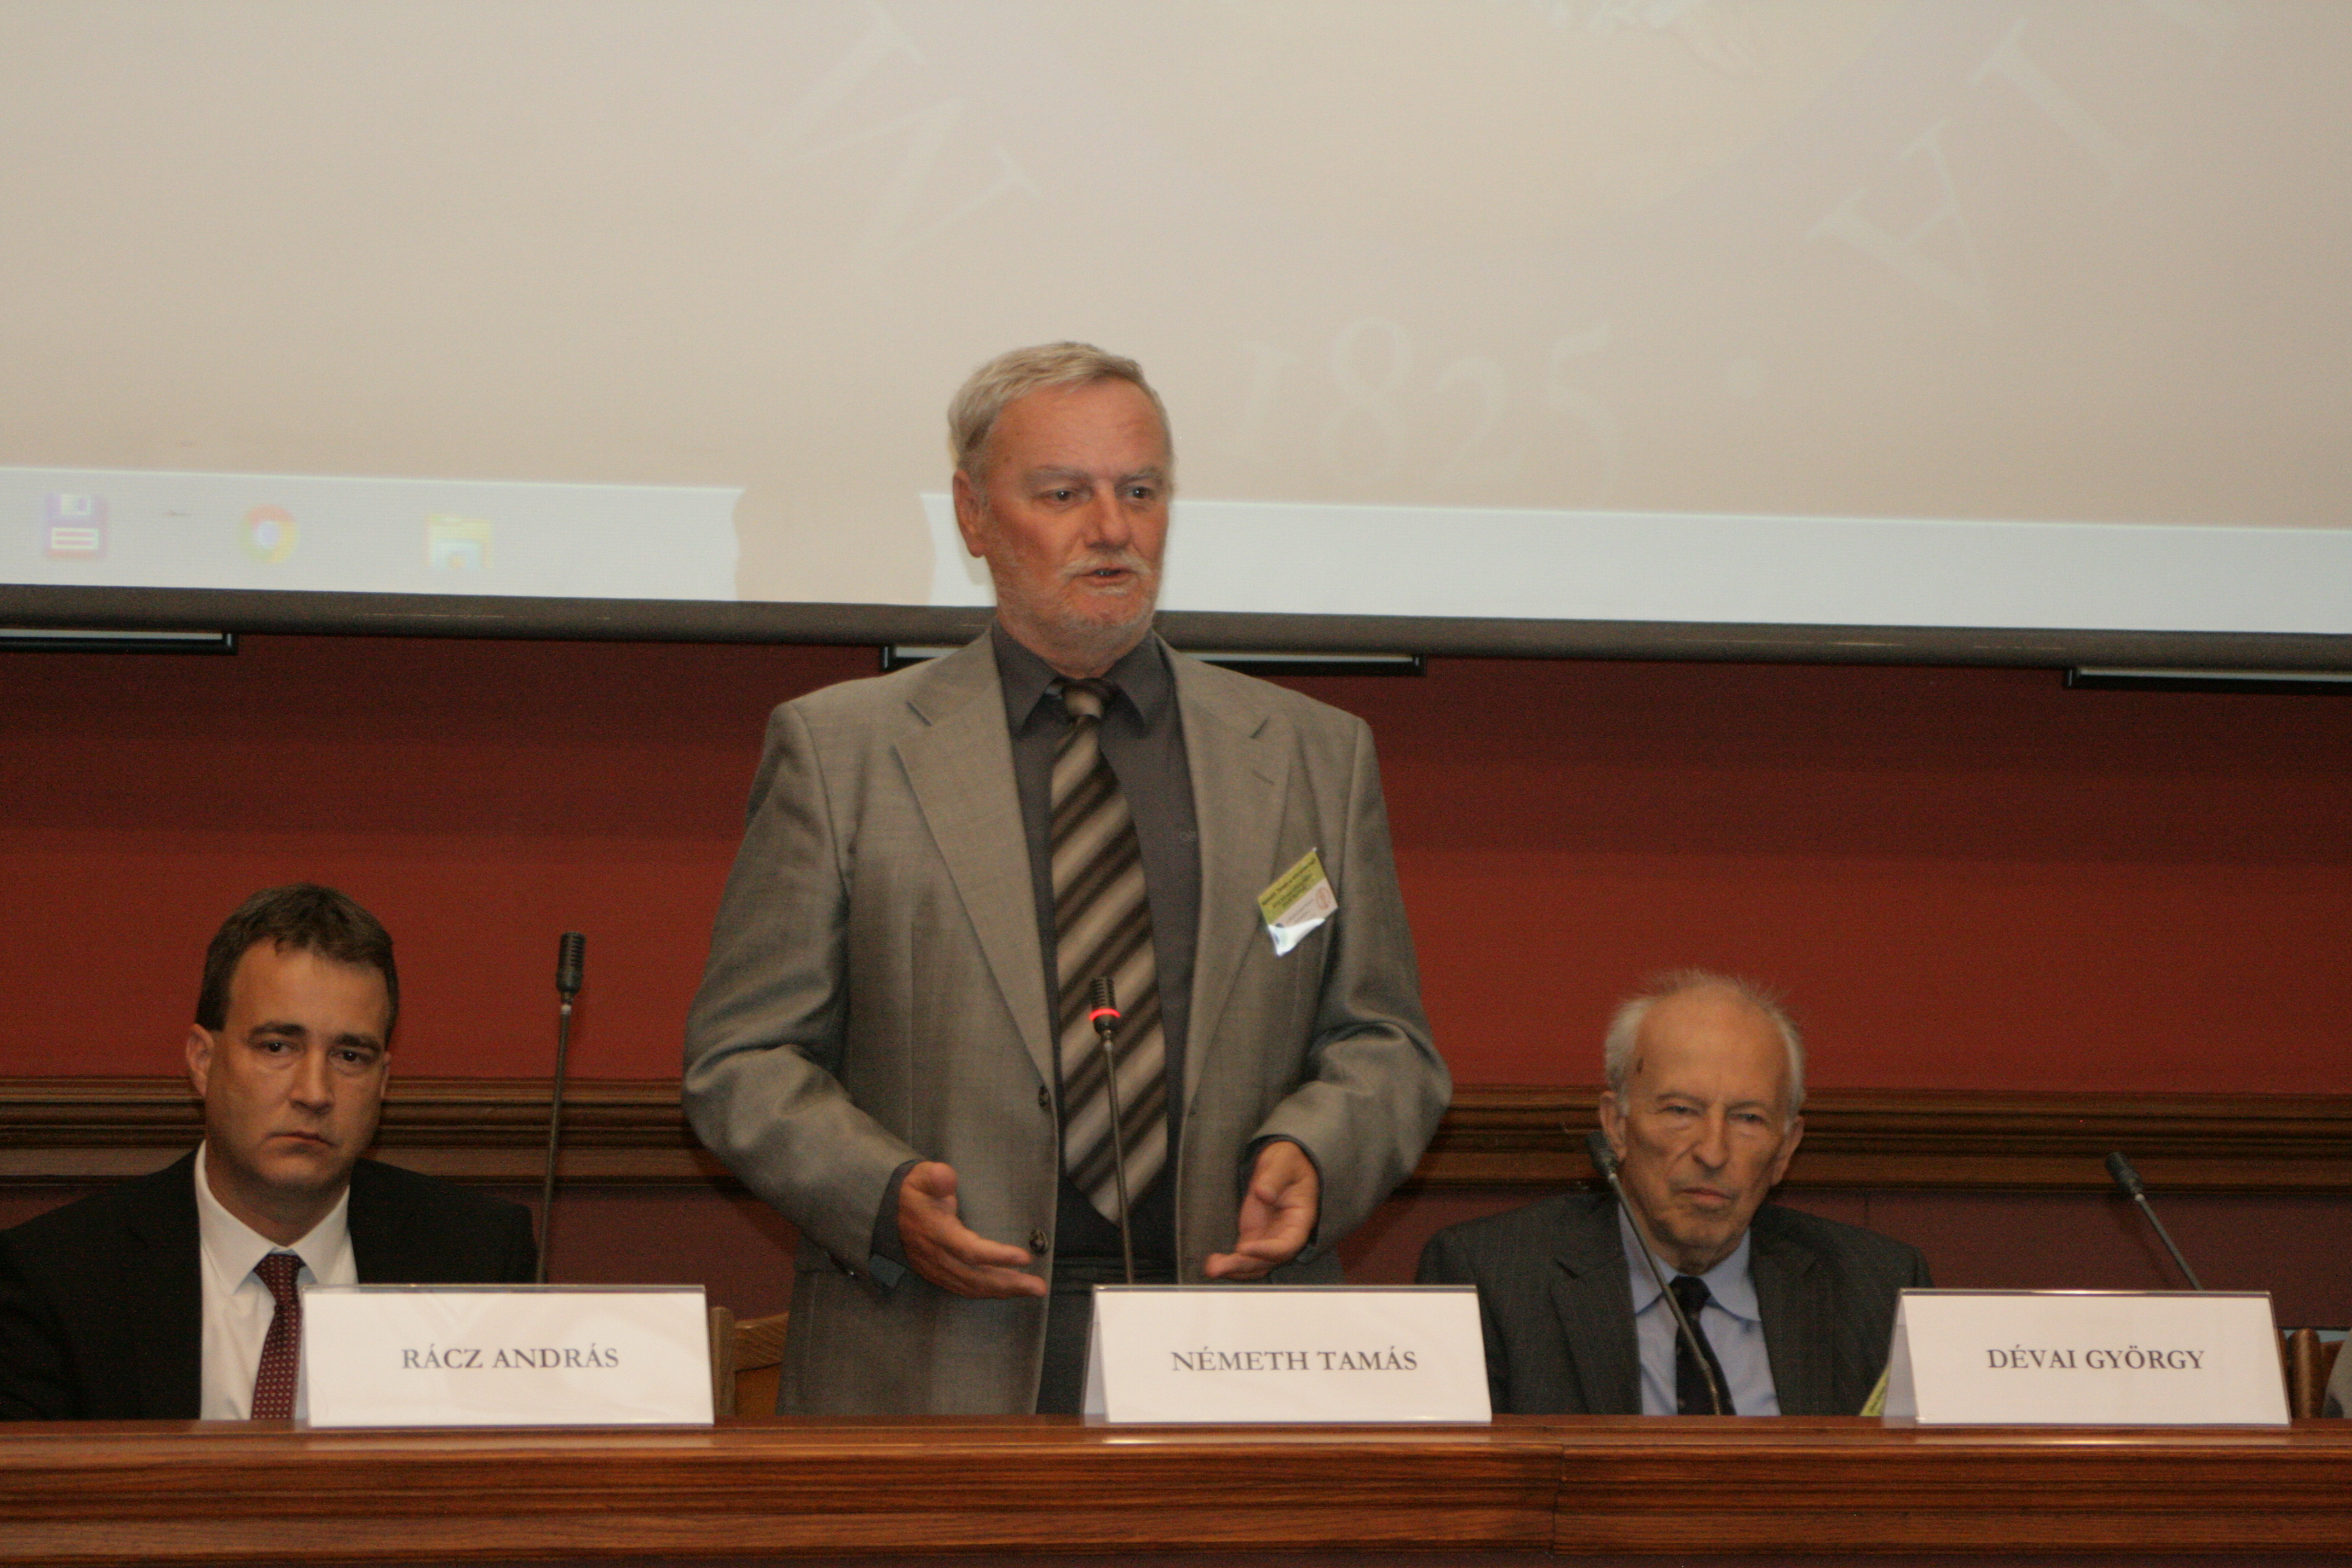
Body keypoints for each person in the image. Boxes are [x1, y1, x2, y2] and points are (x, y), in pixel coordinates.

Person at [684, 341, 1447, 1414]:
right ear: (973, 514)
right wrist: (880, 1193)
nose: (1111, 528)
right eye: (1063, 494)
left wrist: (1317, 1154)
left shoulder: (1312, 754)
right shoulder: (841, 753)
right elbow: (744, 1058)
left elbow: (1387, 1042)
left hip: (1227, 1343)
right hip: (932, 1351)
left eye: (1139, 491)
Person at [0, 884, 537, 1421]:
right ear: (203, 1061)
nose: (315, 1092)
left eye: (350, 1056)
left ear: (383, 1082)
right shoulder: (58, 1277)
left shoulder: (476, 1260)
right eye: (277, 1047)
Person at [1418, 971, 1928, 1415]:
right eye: (1681, 1111)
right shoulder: (1493, 1280)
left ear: (1786, 1149)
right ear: (1617, 1126)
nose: (1713, 1151)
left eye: (1748, 1118)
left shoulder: (1878, 1289)